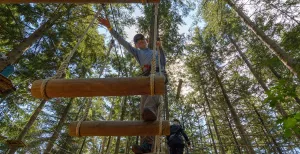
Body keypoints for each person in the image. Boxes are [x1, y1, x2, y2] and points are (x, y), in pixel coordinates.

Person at [98, 17, 167, 154]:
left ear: (146, 41)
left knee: (150, 107)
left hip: (158, 75)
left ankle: (149, 112)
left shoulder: (154, 52)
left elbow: (163, 62)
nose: (141, 42)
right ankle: (147, 145)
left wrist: (160, 48)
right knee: (145, 114)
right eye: (138, 41)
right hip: (146, 79)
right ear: (136, 45)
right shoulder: (137, 53)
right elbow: (123, 43)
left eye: (142, 40)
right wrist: (110, 28)